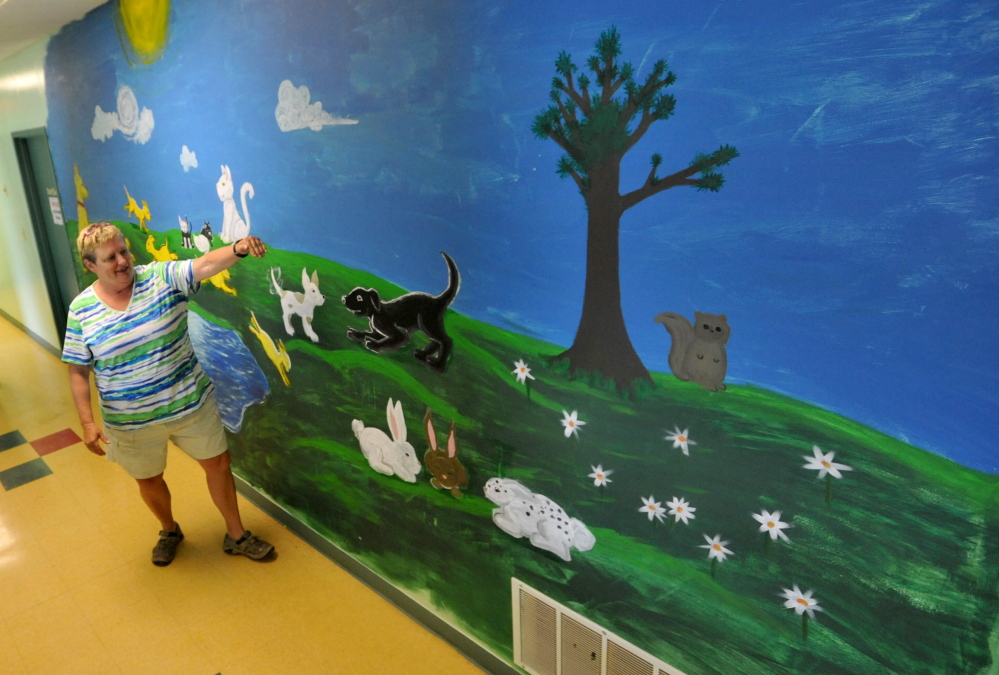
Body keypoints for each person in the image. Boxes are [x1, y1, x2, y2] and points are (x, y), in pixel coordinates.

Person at [63, 222, 275, 566]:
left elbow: (204, 265)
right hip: (131, 421)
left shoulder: (160, 277)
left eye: (124, 251)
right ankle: (169, 530)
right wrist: (87, 422)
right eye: (110, 258)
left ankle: (237, 534)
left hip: (189, 402)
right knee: (149, 479)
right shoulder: (81, 309)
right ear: (90, 265)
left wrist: (237, 248)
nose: (122, 261)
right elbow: (78, 369)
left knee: (218, 464)